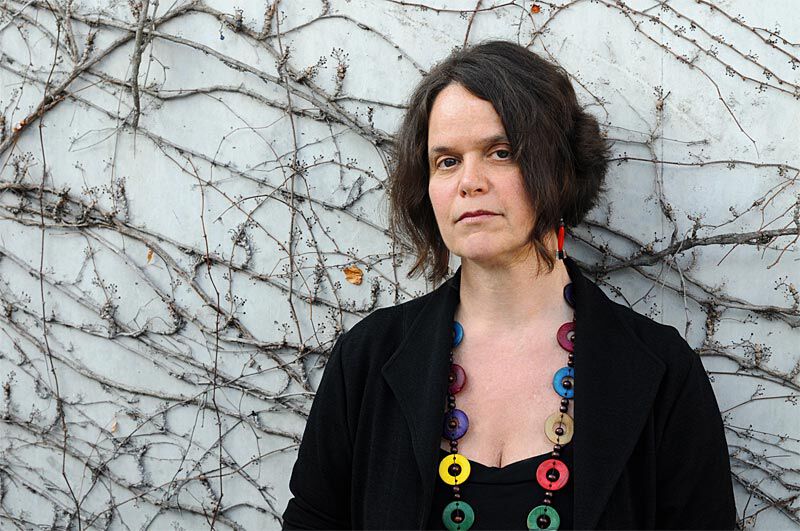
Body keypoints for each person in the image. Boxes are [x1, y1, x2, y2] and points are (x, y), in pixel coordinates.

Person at [281, 40, 736, 530]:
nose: (469, 182)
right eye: (447, 161)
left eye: (501, 153)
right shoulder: (366, 360)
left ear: (561, 169)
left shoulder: (662, 373)